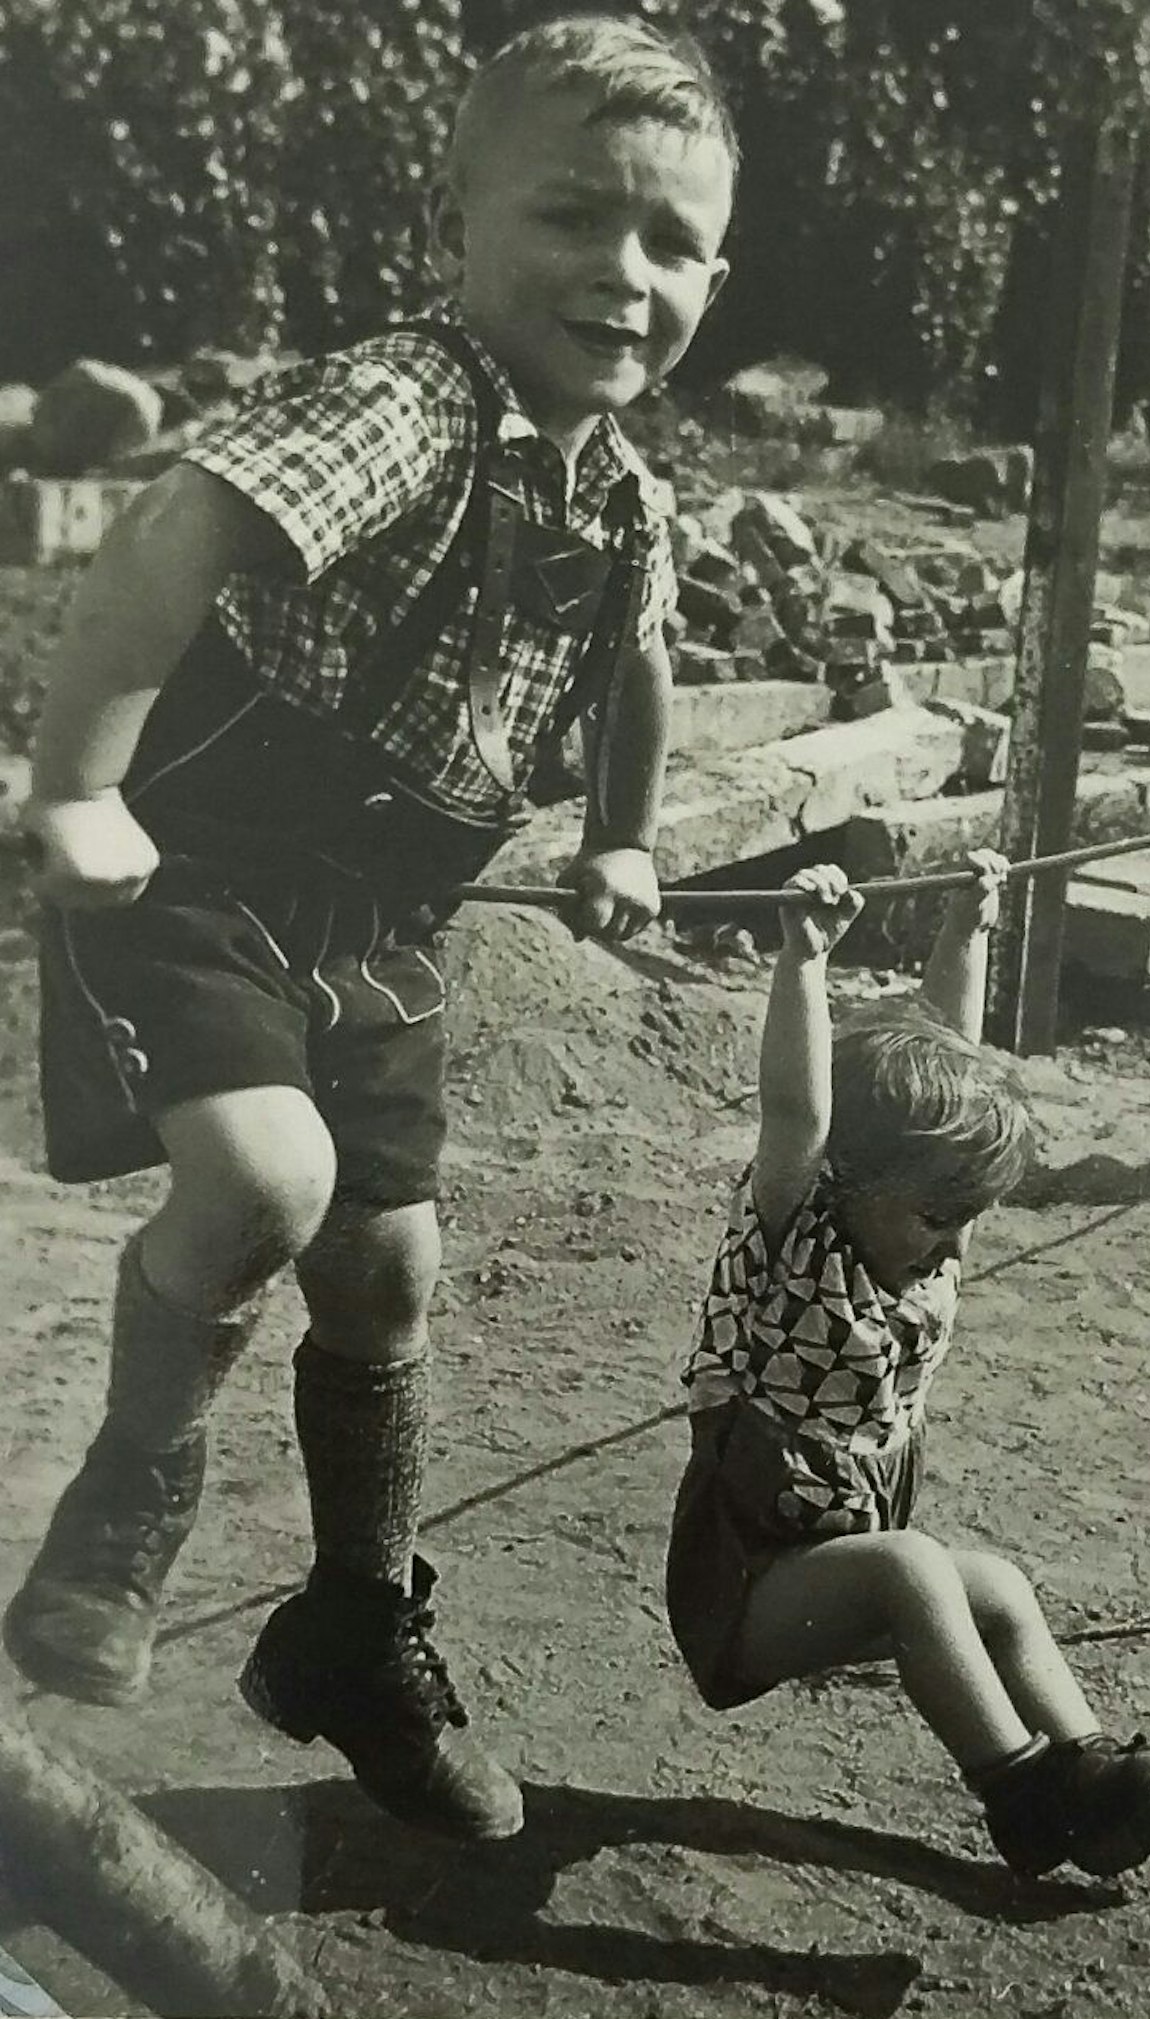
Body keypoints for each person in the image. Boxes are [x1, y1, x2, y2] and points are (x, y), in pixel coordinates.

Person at [4, 14, 735, 1841]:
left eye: (672, 243)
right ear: (456, 222)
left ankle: (355, 1622)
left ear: (715, 279)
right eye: (572, 215)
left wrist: (625, 837)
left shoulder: (624, 492)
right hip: (202, 872)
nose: (623, 273)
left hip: (385, 916)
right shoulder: (410, 401)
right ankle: (130, 1492)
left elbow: (638, 666)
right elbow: (171, 532)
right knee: (268, 1184)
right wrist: (77, 786)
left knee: (391, 1269)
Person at [666, 855, 1150, 1878]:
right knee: (913, 1566)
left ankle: (1092, 1783)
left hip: (838, 1567)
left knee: (996, 1588)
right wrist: (802, 958)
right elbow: (796, 1114)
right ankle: (1023, 1798)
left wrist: (966, 926)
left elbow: (953, 1062)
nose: (953, 1246)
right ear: (845, 1179)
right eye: (938, 1217)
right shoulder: (791, 1240)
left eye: (967, 1218)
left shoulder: (922, 1245)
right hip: (745, 1592)